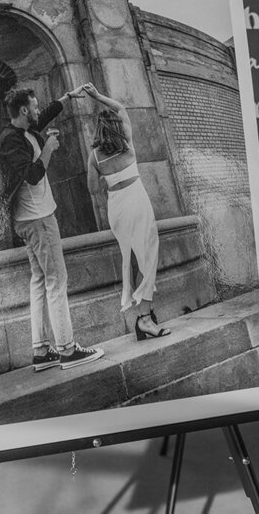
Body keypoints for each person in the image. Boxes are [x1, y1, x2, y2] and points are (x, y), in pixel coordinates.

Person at [0, 86, 104, 371]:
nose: (36, 110)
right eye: (33, 106)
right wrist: (48, 150)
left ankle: (41, 351)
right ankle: (68, 350)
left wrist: (67, 98)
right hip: (38, 220)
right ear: (22, 110)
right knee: (57, 280)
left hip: (32, 218)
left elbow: (43, 118)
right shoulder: (10, 140)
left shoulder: (23, 131)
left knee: (40, 281)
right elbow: (32, 176)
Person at [81, 83, 170, 340]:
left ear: (98, 130)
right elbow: (120, 107)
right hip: (137, 202)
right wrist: (97, 96)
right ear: (118, 126)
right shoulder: (128, 145)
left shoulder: (94, 156)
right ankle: (145, 319)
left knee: (130, 258)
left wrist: (101, 171)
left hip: (117, 208)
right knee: (148, 258)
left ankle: (141, 315)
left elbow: (93, 190)